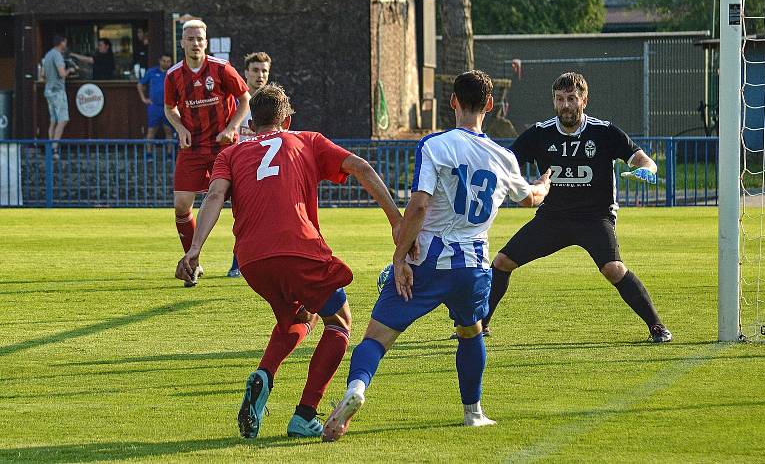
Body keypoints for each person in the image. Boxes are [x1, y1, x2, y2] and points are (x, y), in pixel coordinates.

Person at [322, 70, 552, 442]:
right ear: (490, 105)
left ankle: (356, 390)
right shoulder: (503, 157)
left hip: (428, 261)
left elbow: (418, 206)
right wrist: (544, 184)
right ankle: (473, 413)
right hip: (474, 267)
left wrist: (399, 258)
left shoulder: (436, 145)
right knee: (470, 330)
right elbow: (529, 199)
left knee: (377, 338)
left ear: (453, 102)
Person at [175, 83, 403, 439]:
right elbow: (361, 167)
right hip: (297, 248)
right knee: (340, 322)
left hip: (252, 261)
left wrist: (194, 249)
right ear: (289, 119)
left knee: (300, 315)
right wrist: (396, 221)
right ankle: (305, 415)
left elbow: (216, 194)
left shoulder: (231, 153)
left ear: (251, 124)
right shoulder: (307, 139)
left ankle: (264, 374)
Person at [483, 72, 672, 343]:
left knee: (613, 269)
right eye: (560, 99)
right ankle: (481, 325)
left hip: (595, 218)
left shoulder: (604, 132)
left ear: (584, 100)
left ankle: (657, 327)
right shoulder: (540, 133)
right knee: (502, 262)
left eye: (571, 98)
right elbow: (505, 162)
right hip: (552, 217)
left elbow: (644, 160)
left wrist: (648, 169)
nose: (566, 105)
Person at [164, 19, 251, 287]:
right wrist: (179, 127)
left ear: (206, 41)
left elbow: (245, 99)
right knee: (181, 204)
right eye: (190, 39)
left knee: (240, 204)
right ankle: (194, 261)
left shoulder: (221, 69)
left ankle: (245, 261)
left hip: (224, 146)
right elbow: (170, 108)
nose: (195, 43)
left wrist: (231, 128)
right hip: (193, 147)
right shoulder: (173, 75)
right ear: (182, 42)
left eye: (199, 39)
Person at [227, 51, 272, 278]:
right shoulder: (234, 104)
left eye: (264, 70)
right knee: (243, 218)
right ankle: (238, 264)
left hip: (267, 170)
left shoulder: (273, 105)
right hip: (243, 169)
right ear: (245, 73)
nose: (260, 75)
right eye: (255, 70)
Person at [41, 35, 77, 159]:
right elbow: (62, 74)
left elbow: (43, 75)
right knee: (63, 120)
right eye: (65, 42)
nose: (65, 45)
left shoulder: (47, 55)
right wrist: (70, 70)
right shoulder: (57, 55)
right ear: (61, 43)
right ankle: (54, 149)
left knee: (53, 121)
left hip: (48, 90)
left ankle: (51, 149)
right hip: (58, 91)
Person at [137, 53, 174, 161]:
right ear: (160, 61)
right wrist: (144, 99)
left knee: (168, 131)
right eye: (164, 61)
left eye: (168, 61)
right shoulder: (151, 72)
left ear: (171, 62)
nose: (166, 63)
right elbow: (140, 84)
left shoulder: (173, 73)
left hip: (168, 107)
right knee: (151, 130)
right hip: (155, 107)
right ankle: (149, 155)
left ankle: (169, 155)